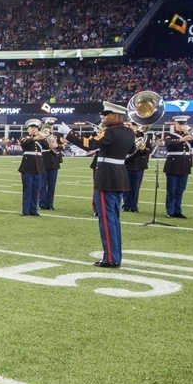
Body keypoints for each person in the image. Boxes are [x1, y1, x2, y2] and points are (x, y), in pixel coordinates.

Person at [59, 101, 134, 268]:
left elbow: (89, 145)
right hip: (119, 176)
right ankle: (115, 256)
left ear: (115, 116)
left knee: (106, 220)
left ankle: (110, 259)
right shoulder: (129, 132)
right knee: (114, 219)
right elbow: (131, 151)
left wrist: (69, 133)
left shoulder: (110, 132)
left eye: (106, 114)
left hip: (106, 178)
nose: (103, 117)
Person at [162, 115, 193, 219]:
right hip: (173, 165)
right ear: (175, 124)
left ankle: (177, 211)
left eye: (184, 123)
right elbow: (168, 143)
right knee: (171, 190)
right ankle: (170, 211)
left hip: (185, 165)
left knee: (180, 189)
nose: (182, 125)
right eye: (180, 123)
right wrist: (182, 139)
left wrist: (189, 134)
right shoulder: (170, 135)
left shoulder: (188, 135)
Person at [18, 119, 47, 216]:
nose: (34, 129)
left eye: (35, 128)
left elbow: (47, 146)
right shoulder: (24, 137)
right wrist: (35, 138)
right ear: (28, 130)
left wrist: (43, 138)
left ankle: (34, 210)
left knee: (36, 189)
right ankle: (25, 210)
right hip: (27, 166)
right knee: (27, 189)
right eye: (32, 128)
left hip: (38, 166)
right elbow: (24, 143)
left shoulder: (41, 139)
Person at [122, 122, 152, 213]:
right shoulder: (125, 135)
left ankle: (134, 206)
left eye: (135, 125)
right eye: (132, 124)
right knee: (126, 186)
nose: (133, 127)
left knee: (136, 187)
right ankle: (126, 205)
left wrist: (143, 149)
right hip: (127, 163)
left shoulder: (145, 136)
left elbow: (149, 149)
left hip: (139, 164)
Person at [38, 117, 63, 211]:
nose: (50, 127)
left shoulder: (55, 135)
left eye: (51, 125)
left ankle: (50, 204)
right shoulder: (40, 135)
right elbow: (42, 145)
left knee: (52, 185)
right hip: (43, 160)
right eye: (48, 124)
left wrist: (57, 146)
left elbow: (62, 146)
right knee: (42, 185)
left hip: (54, 161)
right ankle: (42, 203)